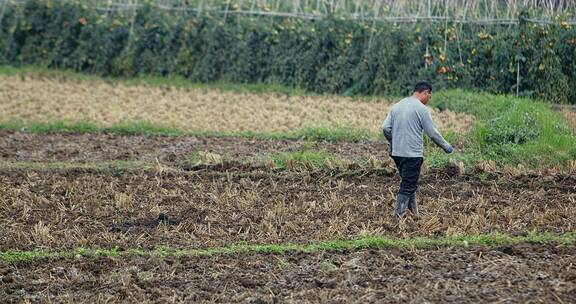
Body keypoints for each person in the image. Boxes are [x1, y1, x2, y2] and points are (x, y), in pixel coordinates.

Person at [381, 81, 453, 218]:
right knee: (408, 184)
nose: (428, 100)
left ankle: (415, 213)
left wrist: (394, 140)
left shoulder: (397, 106)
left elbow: (385, 128)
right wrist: (447, 147)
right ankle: (397, 217)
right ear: (425, 92)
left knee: (409, 181)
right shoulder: (421, 109)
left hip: (396, 153)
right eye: (429, 96)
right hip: (412, 154)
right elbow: (433, 133)